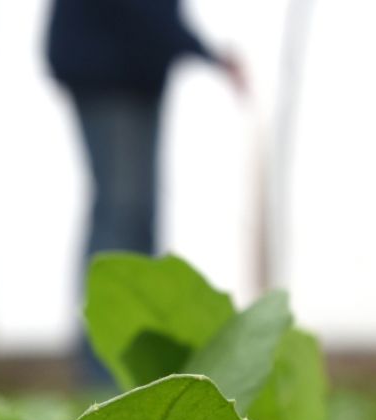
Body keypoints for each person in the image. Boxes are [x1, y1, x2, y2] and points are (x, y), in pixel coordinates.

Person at [46, 0, 243, 378]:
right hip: (108, 68)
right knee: (121, 218)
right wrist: (201, 51)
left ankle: (129, 365)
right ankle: (104, 368)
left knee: (133, 219)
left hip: (133, 70)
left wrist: (203, 51)